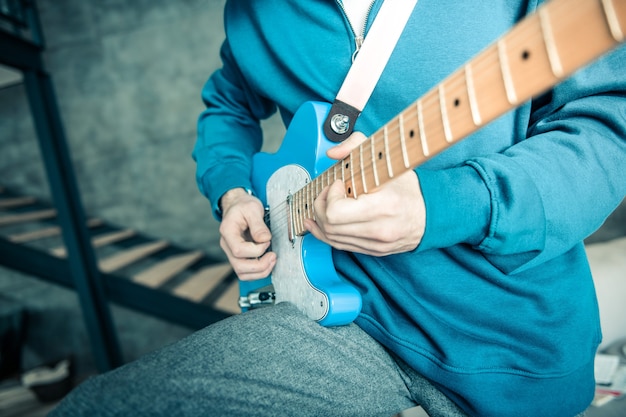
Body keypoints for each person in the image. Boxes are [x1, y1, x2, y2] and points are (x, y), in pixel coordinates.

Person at [50, 1, 626, 416]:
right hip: (335, 318)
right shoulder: (254, 13)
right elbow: (226, 103)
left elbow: (605, 135)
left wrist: (444, 206)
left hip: (504, 341)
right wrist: (232, 192)